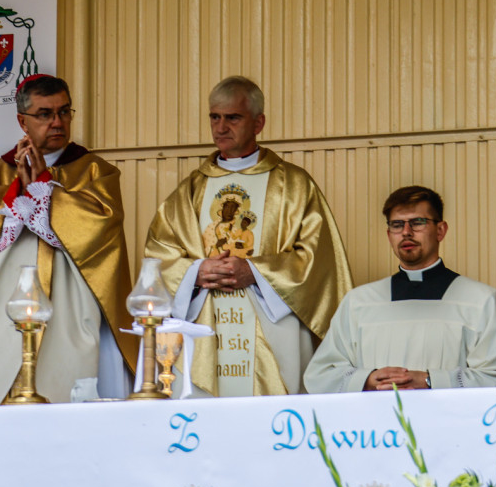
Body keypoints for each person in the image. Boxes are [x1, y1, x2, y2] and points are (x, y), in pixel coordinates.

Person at [145, 76, 352, 397]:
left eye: (233, 117)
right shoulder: (190, 190)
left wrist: (254, 271)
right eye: (215, 117)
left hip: (271, 330)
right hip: (205, 327)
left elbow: (317, 259)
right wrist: (195, 272)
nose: (221, 127)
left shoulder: (294, 185)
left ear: (259, 123)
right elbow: (159, 255)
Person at [0, 74, 137, 405]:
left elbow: (101, 225)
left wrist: (44, 189)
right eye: (45, 114)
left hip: (72, 313)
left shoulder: (96, 171)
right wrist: (17, 193)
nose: (57, 122)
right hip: (5, 314)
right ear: (22, 121)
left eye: (64, 112)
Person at [304, 186, 496, 393]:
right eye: (397, 225)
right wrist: (367, 380)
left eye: (417, 222)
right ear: (389, 234)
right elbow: (320, 375)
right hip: (376, 426)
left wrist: (430, 380)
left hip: (449, 425)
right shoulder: (359, 302)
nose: (406, 232)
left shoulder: (479, 300)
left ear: (440, 230)